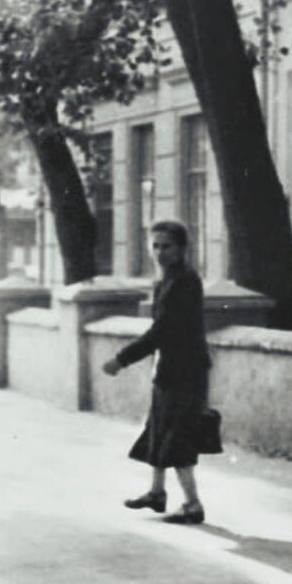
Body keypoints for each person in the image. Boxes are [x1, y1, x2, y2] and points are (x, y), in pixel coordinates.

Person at [102, 219, 213, 524]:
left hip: (185, 372)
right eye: (155, 246)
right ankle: (156, 492)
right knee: (159, 429)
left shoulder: (185, 282)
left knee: (177, 436)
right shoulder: (166, 281)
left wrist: (121, 360)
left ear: (182, 249)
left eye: (167, 246)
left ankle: (192, 504)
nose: (160, 252)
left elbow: (162, 331)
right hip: (169, 369)